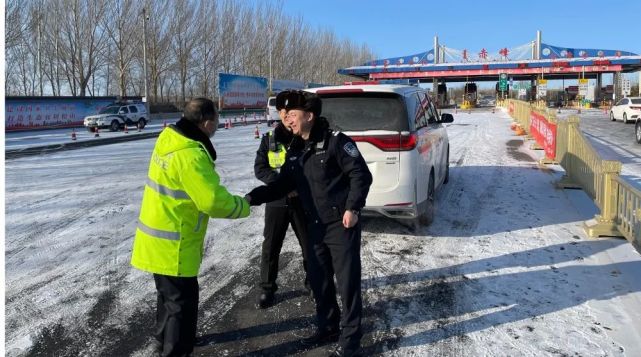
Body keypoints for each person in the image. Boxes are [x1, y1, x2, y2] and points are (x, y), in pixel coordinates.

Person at [245, 90, 373, 357]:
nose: (287, 120)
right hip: (314, 225)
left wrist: (353, 207)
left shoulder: (336, 142)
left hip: (341, 224)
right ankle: (327, 326)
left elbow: (361, 174)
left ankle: (351, 341)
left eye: (292, 115)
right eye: (286, 116)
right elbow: (282, 184)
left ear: (310, 116)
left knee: (347, 284)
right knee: (319, 281)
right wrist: (251, 198)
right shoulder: (295, 149)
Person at [131, 98, 250, 357]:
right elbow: (212, 202)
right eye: (216, 120)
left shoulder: (169, 139)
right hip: (176, 244)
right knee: (181, 306)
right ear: (207, 123)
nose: (217, 124)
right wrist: (244, 205)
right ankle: (174, 352)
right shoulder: (191, 155)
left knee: (168, 299)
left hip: (155, 239)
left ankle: (162, 342)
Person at [253, 98, 310, 309]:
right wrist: (282, 185)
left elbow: (313, 168)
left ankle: (312, 283)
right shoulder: (269, 138)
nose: (286, 115)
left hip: (302, 201)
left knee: (309, 245)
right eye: (281, 112)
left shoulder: (305, 138)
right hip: (276, 201)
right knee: (270, 247)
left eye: (289, 111)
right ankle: (267, 289)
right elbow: (260, 168)